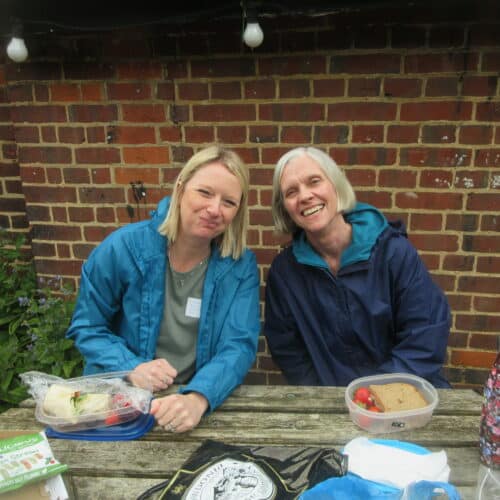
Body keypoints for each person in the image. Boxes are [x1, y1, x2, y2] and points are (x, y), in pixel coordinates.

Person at [66, 145, 261, 432]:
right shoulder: (123, 248)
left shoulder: (240, 265)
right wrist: (132, 367)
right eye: (205, 193)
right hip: (121, 401)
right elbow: (87, 327)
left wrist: (198, 397)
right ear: (181, 189)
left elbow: (238, 345)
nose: (215, 209)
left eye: (229, 202)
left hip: (190, 404)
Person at [263, 146, 451, 388]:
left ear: (336, 185)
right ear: (285, 208)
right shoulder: (285, 273)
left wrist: (372, 395)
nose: (305, 195)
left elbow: (426, 334)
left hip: (405, 392)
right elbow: (287, 347)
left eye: (314, 181)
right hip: (331, 404)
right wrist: (320, 395)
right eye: (291, 191)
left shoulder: (392, 253)